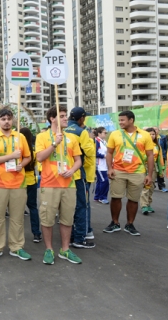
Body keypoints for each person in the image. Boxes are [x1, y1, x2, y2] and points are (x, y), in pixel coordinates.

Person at [36, 105, 83, 265]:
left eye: (65, 116)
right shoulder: (42, 137)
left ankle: (65, 249)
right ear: (52, 119)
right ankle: (49, 249)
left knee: (67, 219)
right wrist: (54, 143)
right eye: (62, 116)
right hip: (49, 184)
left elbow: (78, 161)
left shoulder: (72, 138)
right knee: (47, 219)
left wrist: (72, 171)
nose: (65, 119)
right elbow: (40, 158)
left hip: (69, 184)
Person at [0, 109, 32, 261]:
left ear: (13, 120)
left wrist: (21, 165)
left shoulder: (20, 137)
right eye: (3, 119)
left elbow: (28, 157)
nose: (6, 121)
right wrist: (11, 157)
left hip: (18, 183)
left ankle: (16, 247)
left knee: (17, 218)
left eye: (9, 119)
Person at [104, 110, 153, 236]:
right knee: (116, 197)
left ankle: (130, 224)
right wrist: (110, 168)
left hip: (137, 172)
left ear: (131, 120)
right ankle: (115, 222)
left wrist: (149, 175)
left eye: (122, 120)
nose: (120, 122)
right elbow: (109, 152)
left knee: (133, 200)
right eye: (119, 120)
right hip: (118, 171)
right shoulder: (115, 134)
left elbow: (150, 155)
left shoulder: (144, 135)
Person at [65, 107, 96, 249]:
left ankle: (71, 236)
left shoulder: (62, 130)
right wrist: (90, 139)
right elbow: (90, 152)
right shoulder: (81, 132)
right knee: (82, 206)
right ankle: (80, 238)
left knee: (69, 207)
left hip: (64, 172)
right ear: (81, 118)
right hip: (78, 172)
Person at [20, 127, 42, 243]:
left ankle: (18, 236)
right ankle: (36, 233)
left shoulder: (19, 152)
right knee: (33, 207)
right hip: (31, 181)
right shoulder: (33, 152)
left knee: (18, 210)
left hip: (19, 182)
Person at [140, 128, 164, 215]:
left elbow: (159, 160)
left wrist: (161, 171)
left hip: (153, 168)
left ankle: (149, 203)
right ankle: (144, 205)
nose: (151, 136)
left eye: (153, 134)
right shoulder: (142, 144)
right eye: (149, 134)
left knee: (152, 187)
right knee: (146, 186)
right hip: (144, 166)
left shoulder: (157, 146)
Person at [94, 127, 110, 204]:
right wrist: (104, 156)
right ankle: (102, 197)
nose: (106, 134)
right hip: (99, 165)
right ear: (99, 133)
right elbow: (95, 153)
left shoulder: (104, 141)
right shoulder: (96, 141)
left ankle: (97, 196)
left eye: (106, 133)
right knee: (105, 181)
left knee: (100, 181)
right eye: (104, 133)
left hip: (105, 165)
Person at [154, 127, 168, 192]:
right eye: (153, 130)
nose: (155, 131)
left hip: (161, 157)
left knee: (161, 171)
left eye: (156, 129)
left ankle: (161, 187)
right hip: (152, 158)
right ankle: (151, 184)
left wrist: (165, 155)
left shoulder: (163, 137)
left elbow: (166, 147)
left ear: (159, 130)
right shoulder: (149, 139)